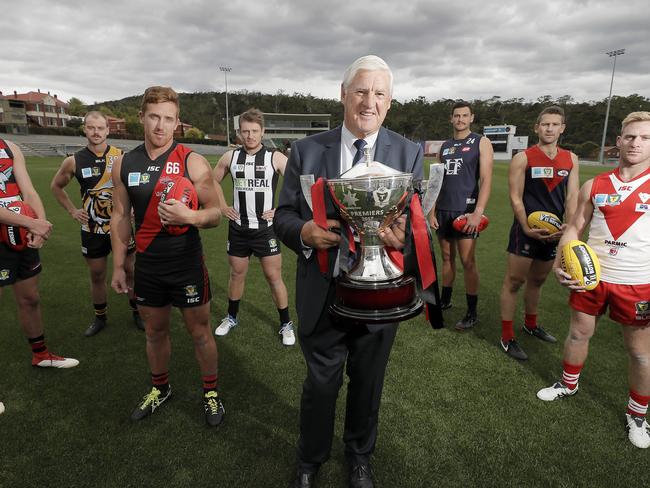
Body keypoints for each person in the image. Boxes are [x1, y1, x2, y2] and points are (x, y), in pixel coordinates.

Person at [275, 55, 423, 488]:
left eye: (379, 93)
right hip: (323, 288)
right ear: (343, 95)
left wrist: (402, 239)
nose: (369, 101)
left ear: (389, 103)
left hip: (381, 291)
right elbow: (282, 216)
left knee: (368, 382)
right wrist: (303, 229)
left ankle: (359, 456)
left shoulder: (408, 153)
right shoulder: (305, 151)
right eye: (361, 90)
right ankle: (310, 457)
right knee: (321, 382)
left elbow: (416, 224)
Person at [110, 86, 226, 426]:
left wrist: (189, 217)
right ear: (142, 117)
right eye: (155, 117)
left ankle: (211, 393)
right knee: (154, 331)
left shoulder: (192, 161)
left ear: (178, 122)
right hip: (147, 265)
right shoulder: (124, 164)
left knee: (200, 332)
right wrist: (119, 265)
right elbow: (119, 216)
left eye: (169, 119)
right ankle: (161, 388)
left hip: (186, 263)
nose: (161, 126)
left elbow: (216, 213)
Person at [537, 111, 650, 449]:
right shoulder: (595, 184)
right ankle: (568, 384)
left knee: (641, 353)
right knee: (578, 333)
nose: (635, 143)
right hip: (591, 278)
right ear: (618, 141)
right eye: (630, 136)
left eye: (644, 138)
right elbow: (573, 228)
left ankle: (638, 415)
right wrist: (560, 262)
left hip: (638, 282)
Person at [51, 111, 142, 336]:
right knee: (97, 275)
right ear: (85, 129)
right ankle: (100, 318)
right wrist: (73, 210)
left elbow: (137, 188)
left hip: (120, 227)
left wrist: (134, 209)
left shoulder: (122, 157)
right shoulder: (74, 160)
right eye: (91, 127)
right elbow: (56, 186)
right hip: (92, 229)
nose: (96, 132)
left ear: (108, 130)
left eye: (100, 128)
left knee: (131, 270)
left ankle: (137, 313)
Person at [498, 106, 579, 360]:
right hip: (526, 231)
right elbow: (515, 196)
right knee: (515, 281)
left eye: (555, 124)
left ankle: (531, 325)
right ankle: (507, 336)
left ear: (562, 128)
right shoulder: (523, 158)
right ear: (537, 127)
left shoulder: (571, 159)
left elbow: (573, 197)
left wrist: (569, 225)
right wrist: (525, 226)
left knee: (538, 281)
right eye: (545, 124)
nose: (550, 129)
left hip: (554, 233)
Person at [213, 108, 295, 346]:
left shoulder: (275, 157)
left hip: (266, 229)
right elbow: (210, 181)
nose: (249, 136)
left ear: (263, 132)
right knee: (237, 274)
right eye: (245, 131)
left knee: (273, 276)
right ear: (239, 132)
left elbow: (299, 186)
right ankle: (231, 317)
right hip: (238, 228)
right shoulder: (230, 158)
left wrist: (280, 209)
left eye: (254, 131)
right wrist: (221, 206)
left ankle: (286, 324)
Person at [0, 139, 78, 369]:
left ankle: (41, 355)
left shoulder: (9, 147)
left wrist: (40, 225)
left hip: (18, 231)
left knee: (30, 298)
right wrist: (29, 222)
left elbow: (29, 191)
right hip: (16, 226)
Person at [429, 101, 493, 330]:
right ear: (451, 119)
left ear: (471, 118)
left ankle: (472, 312)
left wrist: (478, 212)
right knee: (447, 257)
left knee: (468, 261)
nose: (460, 119)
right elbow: (436, 182)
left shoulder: (481, 142)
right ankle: (445, 300)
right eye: (456, 116)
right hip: (444, 208)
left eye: (464, 116)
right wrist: (432, 210)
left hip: (466, 211)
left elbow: (486, 179)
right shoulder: (444, 146)